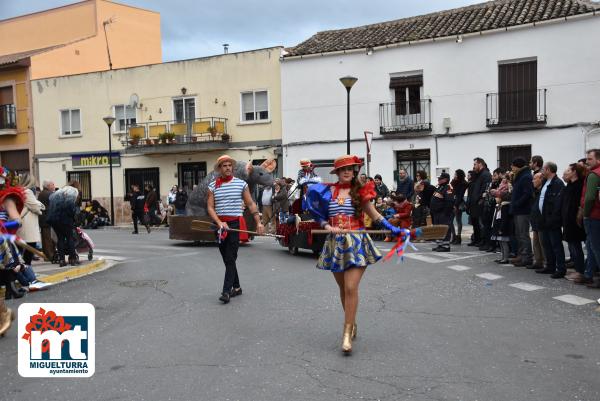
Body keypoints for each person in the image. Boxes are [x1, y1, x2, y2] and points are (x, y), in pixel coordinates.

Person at [305, 154, 402, 354]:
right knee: (343, 289)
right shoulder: (326, 192)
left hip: (357, 242)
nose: (347, 172)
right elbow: (318, 215)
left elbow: (375, 215)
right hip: (335, 243)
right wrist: (326, 226)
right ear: (338, 172)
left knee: (351, 287)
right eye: (343, 169)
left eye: (351, 169)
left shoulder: (360, 192)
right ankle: (352, 321)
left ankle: (346, 333)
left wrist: (394, 229)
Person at [207, 154, 264, 304]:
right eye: (224, 165)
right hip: (219, 226)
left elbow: (251, 204)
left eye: (229, 165)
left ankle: (226, 291)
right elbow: (210, 207)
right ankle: (237, 287)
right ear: (220, 169)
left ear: (232, 167)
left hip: (234, 225)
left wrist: (258, 222)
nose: (227, 167)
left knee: (231, 257)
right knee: (227, 259)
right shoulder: (213, 186)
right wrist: (219, 222)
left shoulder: (241, 184)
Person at [16, 173, 47, 289]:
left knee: (20, 254)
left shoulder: (18, 191)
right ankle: (28, 280)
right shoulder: (27, 192)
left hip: (21, 228)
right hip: (28, 229)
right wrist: (38, 206)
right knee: (27, 255)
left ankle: (25, 279)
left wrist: (35, 206)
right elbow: (37, 207)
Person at [535, 162, 566, 278]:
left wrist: (553, 218)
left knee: (556, 245)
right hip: (543, 218)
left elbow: (558, 204)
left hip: (552, 219)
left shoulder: (558, 183)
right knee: (546, 244)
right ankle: (550, 266)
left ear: (548, 170)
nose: (542, 171)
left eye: (543, 169)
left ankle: (561, 268)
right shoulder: (545, 182)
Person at [577, 150, 600, 287]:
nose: (587, 162)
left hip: (593, 215)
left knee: (595, 247)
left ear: (598, 160)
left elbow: (590, 197)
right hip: (596, 215)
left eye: (590, 159)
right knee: (591, 247)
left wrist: (584, 213)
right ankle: (588, 274)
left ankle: (591, 275)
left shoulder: (593, 175)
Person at [562, 164, 586, 281]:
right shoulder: (570, 186)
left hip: (574, 221)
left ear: (574, 172)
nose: (566, 172)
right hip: (568, 220)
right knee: (572, 246)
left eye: (568, 170)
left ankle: (580, 271)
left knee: (576, 247)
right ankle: (578, 270)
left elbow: (577, 205)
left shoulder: (579, 185)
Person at [509, 158, 534, 267]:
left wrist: (517, 203)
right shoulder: (519, 176)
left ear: (517, 166)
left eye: (513, 166)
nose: (511, 168)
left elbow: (527, 193)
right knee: (518, 234)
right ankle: (521, 255)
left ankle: (527, 256)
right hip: (518, 210)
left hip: (523, 210)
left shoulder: (526, 176)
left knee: (523, 234)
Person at [46, 184, 80, 267]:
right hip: (65, 220)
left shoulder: (55, 196)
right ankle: (72, 259)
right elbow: (71, 210)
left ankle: (62, 260)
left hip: (54, 221)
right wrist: (74, 219)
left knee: (60, 239)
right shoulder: (70, 196)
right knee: (69, 238)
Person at [467, 157, 492, 246]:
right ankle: (477, 240)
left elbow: (484, 190)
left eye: (475, 164)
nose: (473, 166)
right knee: (476, 224)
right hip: (475, 204)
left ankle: (484, 241)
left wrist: (479, 199)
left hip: (480, 204)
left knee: (482, 224)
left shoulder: (485, 174)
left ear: (480, 164)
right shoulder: (478, 175)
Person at [430, 172, 455, 252]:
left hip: (443, 213)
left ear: (445, 179)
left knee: (444, 229)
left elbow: (449, 201)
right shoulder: (440, 187)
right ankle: (440, 245)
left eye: (440, 178)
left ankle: (446, 246)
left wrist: (446, 212)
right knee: (438, 229)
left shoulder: (447, 188)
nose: (438, 179)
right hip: (437, 213)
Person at [491, 191, 512, 264]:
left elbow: (504, 219)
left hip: (503, 229)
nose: (496, 198)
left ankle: (505, 258)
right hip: (498, 228)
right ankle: (502, 257)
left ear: (501, 198)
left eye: (497, 197)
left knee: (504, 243)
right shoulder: (499, 206)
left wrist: (501, 228)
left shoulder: (504, 207)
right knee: (500, 243)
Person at [37, 180, 56, 263]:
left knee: (45, 238)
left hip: (43, 219)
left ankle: (46, 255)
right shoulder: (49, 194)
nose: (54, 186)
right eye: (52, 185)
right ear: (48, 186)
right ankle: (50, 255)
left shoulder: (42, 193)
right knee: (49, 239)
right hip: (48, 219)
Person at [450, 169, 467, 244]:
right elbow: (451, 190)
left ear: (459, 175)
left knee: (458, 220)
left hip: (458, 203)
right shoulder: (454, 182)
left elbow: (460, 195)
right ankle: (453, 235)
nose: (454, 175)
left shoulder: (463, 183)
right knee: (450, 220)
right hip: (452, 202)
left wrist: (456, 205)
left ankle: (458, 237)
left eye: (456, 174)